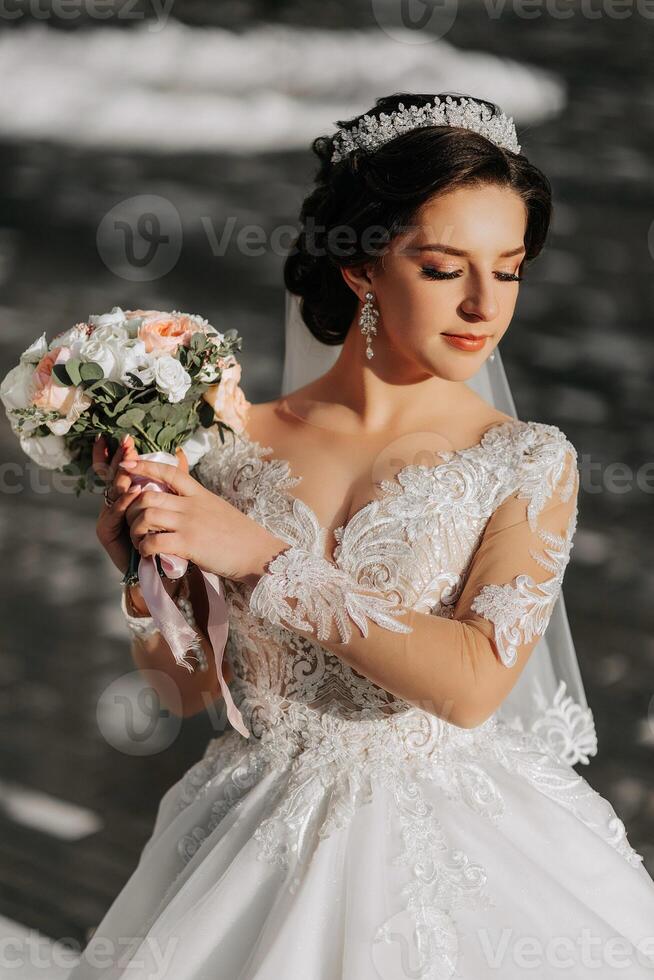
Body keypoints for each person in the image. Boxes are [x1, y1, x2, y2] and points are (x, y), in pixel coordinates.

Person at [73, 93, 654, 979]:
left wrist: (262, 558)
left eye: (508, 270)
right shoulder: (232, 448)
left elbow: (470, 687)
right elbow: (187, 692)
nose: (481, 304)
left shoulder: (524, 460)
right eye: (441, 267)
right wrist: (142, 578)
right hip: (248, 834)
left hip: (457, 847)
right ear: (358, 268)